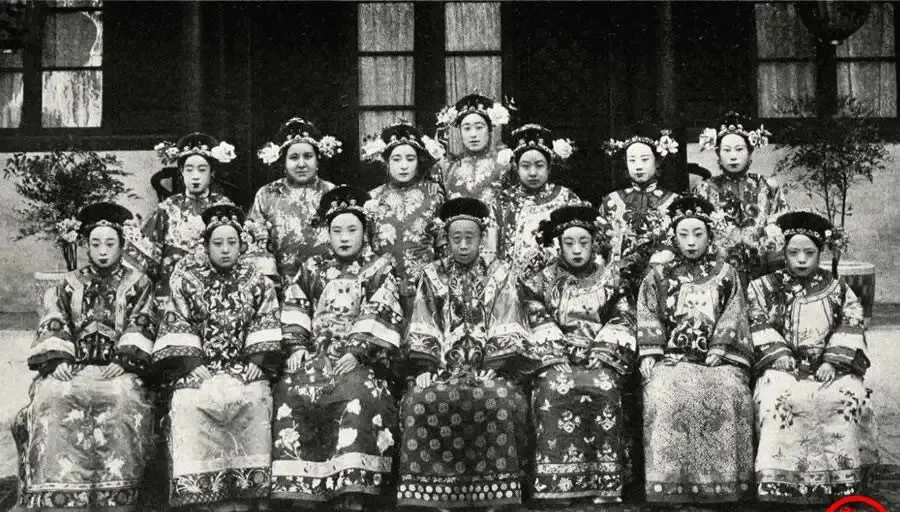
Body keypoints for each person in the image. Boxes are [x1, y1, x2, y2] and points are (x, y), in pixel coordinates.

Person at [397, 198, 560, 510]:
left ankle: (497, 490)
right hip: (444, 366)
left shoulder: (500, 273)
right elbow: (423, 318)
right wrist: (426, 364)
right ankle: (434, 492)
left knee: (499, 398)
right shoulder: (432, 274)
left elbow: (509, 316)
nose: (462, 245)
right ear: (446, 240)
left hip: (488, 365)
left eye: (469, 238)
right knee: (420, 399)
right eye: (456, 238)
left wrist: (496, 363)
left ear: (482, 238)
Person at [12, 202, 156, 511]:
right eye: (96, 243)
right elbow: (54, 320)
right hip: (74, 368)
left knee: (122, 399)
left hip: (119, 371)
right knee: (52, 396)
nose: (103, 251)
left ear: (122, 245)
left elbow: (143, 321)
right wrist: (60, 361)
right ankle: (58, 493)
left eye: (110, 243)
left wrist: (124, 359)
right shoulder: (68, 283)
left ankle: (117, 496)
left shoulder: (139, 283)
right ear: (86, 246)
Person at [270, 185, 404, 510]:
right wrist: (297, 346)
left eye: (352, 230)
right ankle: (302, 487)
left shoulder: (379, 268)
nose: (344, 238)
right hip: (317, 353)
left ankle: (352, 488)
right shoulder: (312, 267)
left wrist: (357, 351)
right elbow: (296, 306)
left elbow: (383, 310)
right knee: (290, 391)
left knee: (355, 394)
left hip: (362, 359)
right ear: (327, 234)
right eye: (337, 230)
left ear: (365, 232)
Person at [154, 204, 282, 511]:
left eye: (231, 242)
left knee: (254, 400)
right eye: (218, 243)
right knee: (189, 404)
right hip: (202, 368)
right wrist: (192, 363)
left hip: (242, 366)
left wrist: (257, 360)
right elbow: (176, 321)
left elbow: (267, 319)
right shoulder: (186, 280)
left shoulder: (258, 281)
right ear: (206, 245)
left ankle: (248, 491)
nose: (225, 250)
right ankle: (200, 492)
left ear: (242, 245)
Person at [748, 211, 879, 504]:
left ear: (820, 252)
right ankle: (780, 481)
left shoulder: (837, 289)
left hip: (828, 366)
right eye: (793, 253)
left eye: (809, 253)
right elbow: (756, 321)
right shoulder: (762, 288)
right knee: (779, 399)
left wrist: (833, 361)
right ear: (783, 252)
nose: (801, 260)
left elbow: (852, 322)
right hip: (782, 366)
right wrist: (778, 354)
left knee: (846, 397)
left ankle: (841, 480)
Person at [636, 195, 755, 503]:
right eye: (683, 234)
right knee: (664, 394)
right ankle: (669, 484)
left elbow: (735, 313)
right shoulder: (659, 274)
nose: (691, 242)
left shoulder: (726, 273)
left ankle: (724, 483)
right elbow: (647, 312)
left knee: (729, 393)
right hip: (672, 359)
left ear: (709, 235)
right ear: (673, 237)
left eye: (698, 234)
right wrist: (650, 351)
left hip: (717, 360)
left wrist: (721, 347)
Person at [519, 204, 635, 505]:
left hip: (598, 354)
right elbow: (534, 313)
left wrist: (604, 351)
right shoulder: (541, 280)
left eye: (583, 242)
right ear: (558, 245)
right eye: (569, 243)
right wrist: (558, 353)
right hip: (557, 357)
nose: (577, 250)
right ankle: (556, 481)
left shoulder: (611, 278)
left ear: (594, 243)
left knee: (605, 386)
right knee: (553, 388)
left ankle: (604, 481)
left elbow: (623, 315)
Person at [136, 133, 237, 306]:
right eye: (189, 169)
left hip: (213, 292)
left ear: (212, 172)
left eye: (202, 169)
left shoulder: (224, 207)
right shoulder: (167, 208)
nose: (195, 176)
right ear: (182, 172)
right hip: (171, 292)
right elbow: (146, 257)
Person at [363, 121, 446, 320]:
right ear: (386, 162)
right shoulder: (373, 198)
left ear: (419, 161)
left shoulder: (434, 194)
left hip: (425, 285)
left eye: (410, 159)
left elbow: (443, 244)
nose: (403, 165)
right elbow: (366, 244)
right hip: (383, 287)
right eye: (396, 159)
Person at [694, 111, 786, 288]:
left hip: (762, 270)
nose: (733, 156)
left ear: (750, 152)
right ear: (718, 153)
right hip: (719, 272)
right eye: (726, 150)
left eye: (739, 149)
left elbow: (779, 225)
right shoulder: (704, 189)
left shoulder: (768, 186)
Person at [251, 117, 342, 287]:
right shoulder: (266, 195)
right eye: (294, 157)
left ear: (317, 159)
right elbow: (255, 246)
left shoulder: (332, 193)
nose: (301, 164)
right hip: (280, 285)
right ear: (283, 162)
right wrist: (272, 284)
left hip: (327, 283)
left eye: (308, 156)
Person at [601, 124, 680, 298]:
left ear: (657, 162)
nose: (638, 166)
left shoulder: (674, 202)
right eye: (632, 160)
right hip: (618, 285)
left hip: (662, 284)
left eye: (645, 160)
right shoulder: (611, 201)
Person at [434, 92, 513, 263]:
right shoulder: (447, 167)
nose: (473, 134)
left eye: (479, 127)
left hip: (494, 242)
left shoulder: (504, 165)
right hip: (457, 244)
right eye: (467, 128)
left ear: (490, 129)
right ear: (460, 132)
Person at [494, 123, 580, 275]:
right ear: (516, 167)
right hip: (511, 282)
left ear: (549, 167)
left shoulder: (566, 198)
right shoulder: (503, 201)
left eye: (539, 166)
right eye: (526, 166)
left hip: (558, 279)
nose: (533, 173)